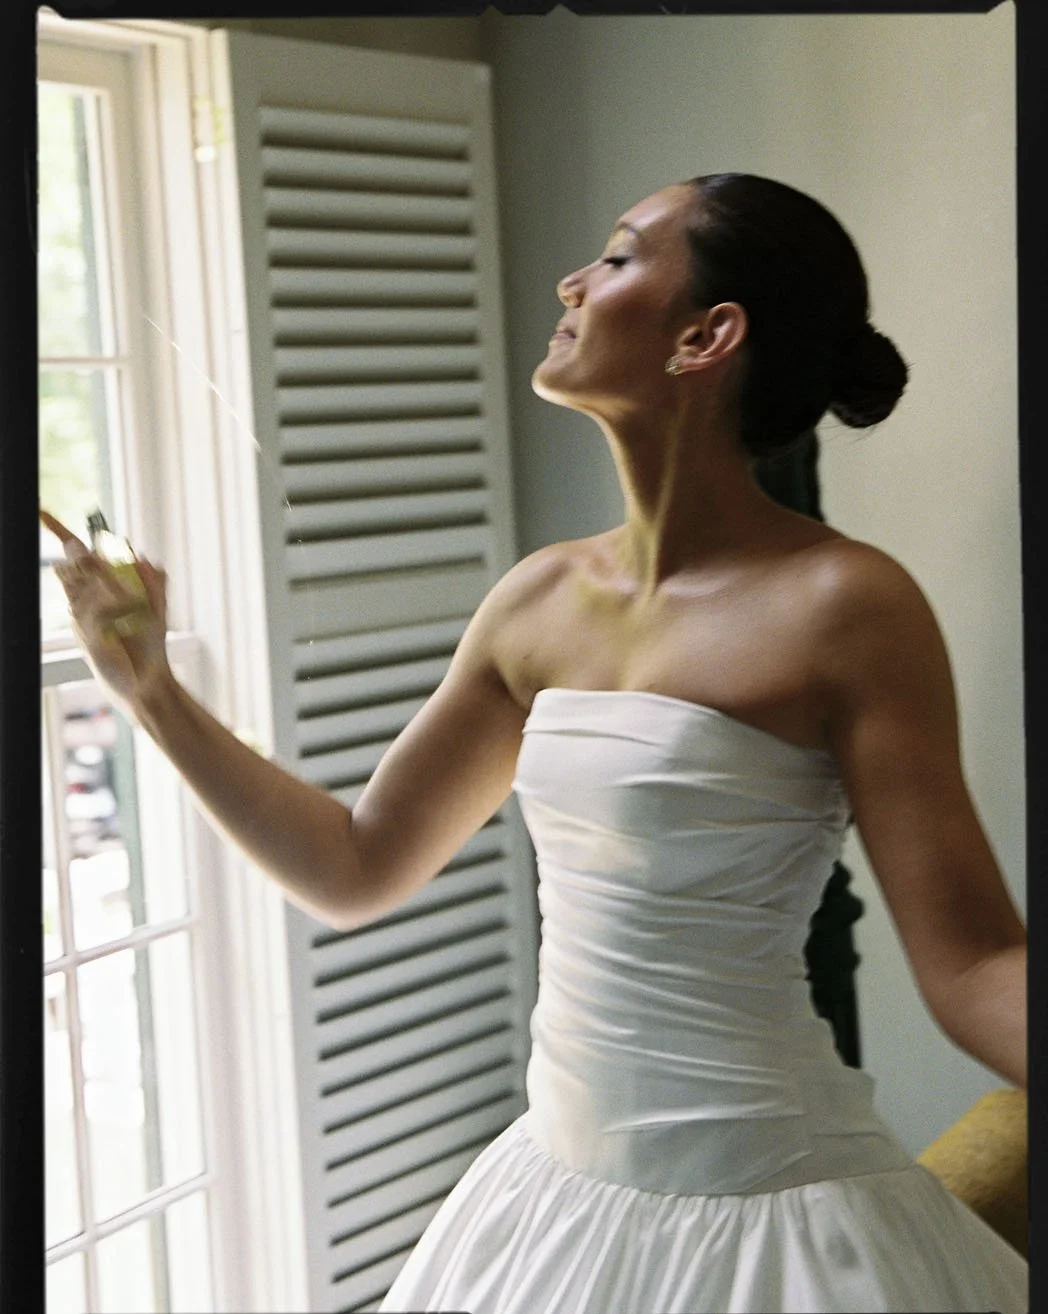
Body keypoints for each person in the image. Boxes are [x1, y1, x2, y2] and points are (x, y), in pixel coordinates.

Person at [45, 173, 1027, 1313]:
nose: (570, 282)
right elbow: (354, 867)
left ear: (706, 336)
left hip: (770, 1206)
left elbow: (972, 967)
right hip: (550, 1202)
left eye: (617, 257)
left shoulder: (846, 605)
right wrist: (150, 688)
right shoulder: (538, 597)